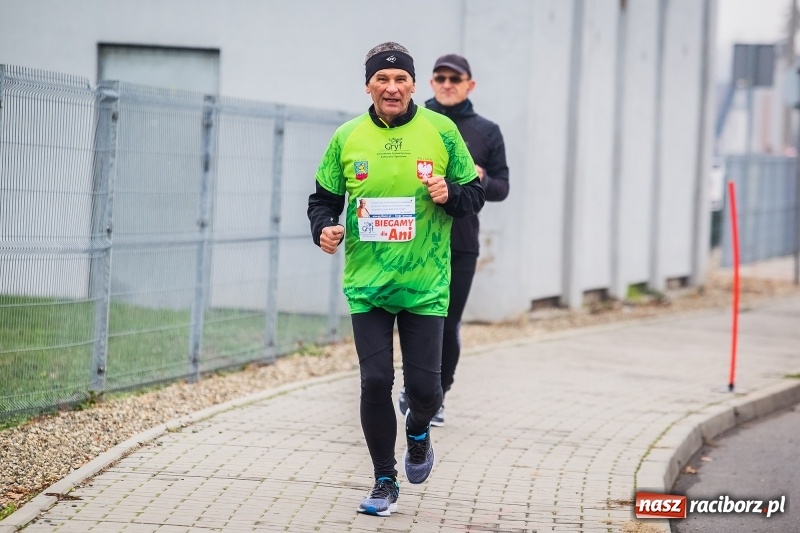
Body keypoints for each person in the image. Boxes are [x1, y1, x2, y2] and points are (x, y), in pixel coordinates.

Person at [307, 42, 485, 517]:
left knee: (426, 392)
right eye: (382, 80)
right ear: (368, 85)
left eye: (400, 79)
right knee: (375, 380)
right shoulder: (347, 137)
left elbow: (476, 193)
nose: (391, 88)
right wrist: (323, 228)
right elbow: (322, 200)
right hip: (368, 285)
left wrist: (451, 194)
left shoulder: (441, 131)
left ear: (412, 84)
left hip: (426, 285)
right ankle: (385, 479)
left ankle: (420, 434)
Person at [397, 53, 510, 427]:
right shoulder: (412, 123)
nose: (446, 84)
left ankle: (437, 394)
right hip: (414, 239)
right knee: (410, 317)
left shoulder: (486, 131)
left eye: (454, 79)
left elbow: (502, 187)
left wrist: (481, 179)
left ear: (469, 85)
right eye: (440, 78)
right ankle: (414, 387)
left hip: (460, 242)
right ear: (430, 82)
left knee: (446, 323)